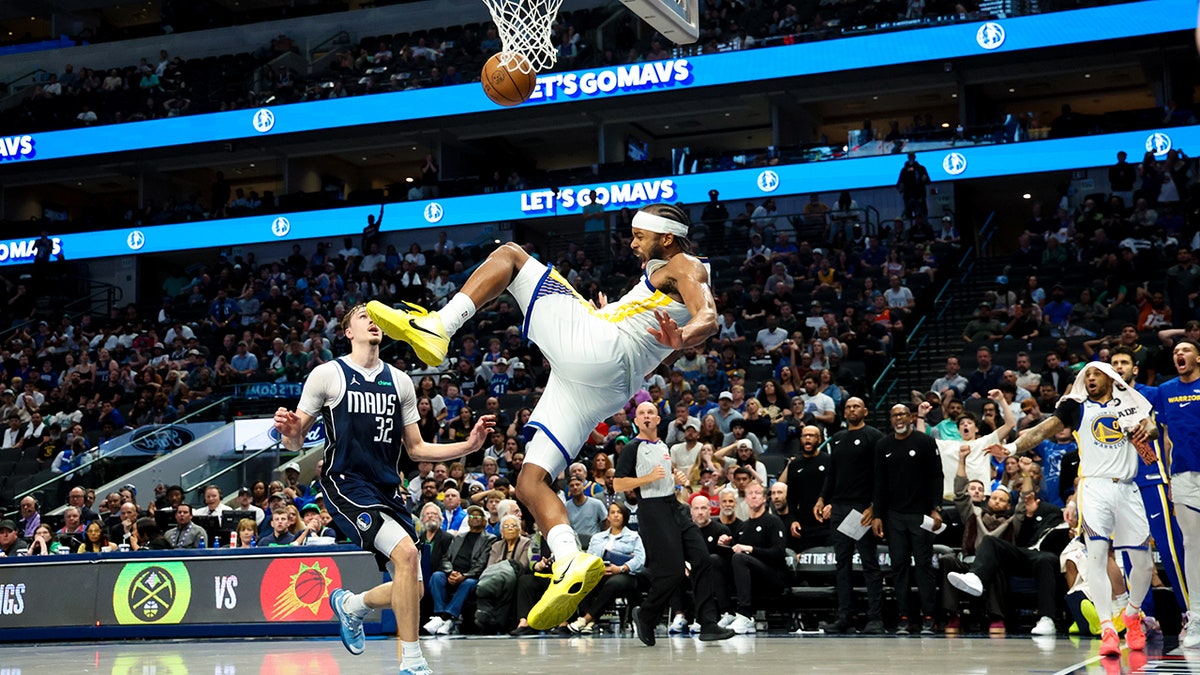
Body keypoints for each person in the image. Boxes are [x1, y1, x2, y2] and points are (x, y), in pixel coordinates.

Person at [366, 203, 717, 630]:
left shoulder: (686, 263)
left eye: (639, 234)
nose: (632, 241)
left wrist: (683, 337)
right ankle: (569, 559)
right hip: (602, 383)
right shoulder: (661, 272)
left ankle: (439, 325)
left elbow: (709, 316)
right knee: (530, 482)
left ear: (666, 236)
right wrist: (606, 314)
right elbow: (649, 317)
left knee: (512, 255)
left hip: (604, 353)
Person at [273, 303, 495, 675]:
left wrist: (468, 447)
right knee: (407, 555)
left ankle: (353, 605)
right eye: (363, 316)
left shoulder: (400, 380)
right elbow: (295, 444)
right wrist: (291, 432)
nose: (373, 321)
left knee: (415, 590)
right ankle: (412, 662)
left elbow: (417, 448)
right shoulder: (328, 374)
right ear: (348, 332)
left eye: (377, 317)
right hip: (346, 483)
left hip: (388, 489)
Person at [987, 362, 1155, 657]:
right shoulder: (1075, 408)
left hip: (1127, 486)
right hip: (1094, 487)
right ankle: (1107, 629)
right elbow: (1040, 431)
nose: (1090, 378)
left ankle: (1132, 613)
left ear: (1110, 378)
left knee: (1143, 564)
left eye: (1096, 374)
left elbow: (1152, 429)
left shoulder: (1129, 402)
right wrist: (1012, 449)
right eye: (1085, 375)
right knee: (1097, 558)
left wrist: (1147, 429)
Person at [613, 402, 734, 644]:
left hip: (674, 506)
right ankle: (646, 614)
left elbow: (664, 473)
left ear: (658, 420)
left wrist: (675, 477)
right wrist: (648, 478)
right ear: (636, 421)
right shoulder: (633, 448)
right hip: (653, 511)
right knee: (672, 573)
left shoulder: (662, 446)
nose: (646, 416)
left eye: (651, 413)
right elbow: (618, 484)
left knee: (702, 559)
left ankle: (708, 623)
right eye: (641, 413)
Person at [812, 397, 885, 634]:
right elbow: (832, 474)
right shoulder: (838, 438)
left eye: (856, 406)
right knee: (841, 565)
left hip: (862, 508)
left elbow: (881, 475)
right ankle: (845, 617)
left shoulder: (874, 436)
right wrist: (823, 498)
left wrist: (874, 506)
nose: (852, 410)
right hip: (839, 508)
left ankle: (875, 618)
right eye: (848, 407)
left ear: (865, 410)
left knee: (869, 564)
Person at [870, 404, 943, 635]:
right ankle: (904, 617)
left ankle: (929, 616)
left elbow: (936, 476)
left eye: (902, 414)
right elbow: (879, 483)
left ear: (911, 417)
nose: (899, 418)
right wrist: (878, 515)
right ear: (890, 420)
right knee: (898, 568)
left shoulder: (925, 442)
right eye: (894, 415)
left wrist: (936, 508)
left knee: (923, 567)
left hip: (921, 515)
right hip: (893, 517)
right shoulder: (883, 445)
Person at [1152, 339, 1200, 647]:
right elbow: (1163, 435)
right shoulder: (1165, 391)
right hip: (1183, 476)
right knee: (1192, 546)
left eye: (1185, 350)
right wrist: (1168, 477)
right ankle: (1196, 616)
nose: (1178, 354)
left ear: (1198, 357)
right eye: (1175, 352)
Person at [716, 481, 787, 634]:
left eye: (758, 493)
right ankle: (727, 612)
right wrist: (726, 544)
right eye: (750, 493)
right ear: (745, 499)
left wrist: (750, 549)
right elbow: (734, 554)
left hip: (773, 576)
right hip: (749, 577)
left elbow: (779, 553)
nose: (754, 496)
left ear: (764, 499)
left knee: (740, 558)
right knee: (715, 560)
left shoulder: (773, 521)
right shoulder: (743, 526)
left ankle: (746, 615)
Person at [567, 502, 645, 635]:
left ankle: (586, 619)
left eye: (619, 513)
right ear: (608, 517)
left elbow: (639, 559)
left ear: (624, 516)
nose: (615, 516)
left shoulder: (634, 536)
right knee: (579, 582)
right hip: (601, 573)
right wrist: (599, 569)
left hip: (625, 575)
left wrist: (621, 568)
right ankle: (591, 622)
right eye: (612, 512)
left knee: (613, 583)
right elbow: (589, 559)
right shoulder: (597, 538)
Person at [425, 504, 495, 635]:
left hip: (472, 576)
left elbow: (482, 563)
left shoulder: (489, 539)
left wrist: (464, 576)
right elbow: (446, 558)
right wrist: (450, 572)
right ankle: (440, 614)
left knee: (468, 583)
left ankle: (447, 617)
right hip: (453, 573)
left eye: (478, 515)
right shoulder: (458, 537)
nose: (474, 518)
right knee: (437, 576)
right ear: (467, 520)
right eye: (471, 515)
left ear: (484, 521)